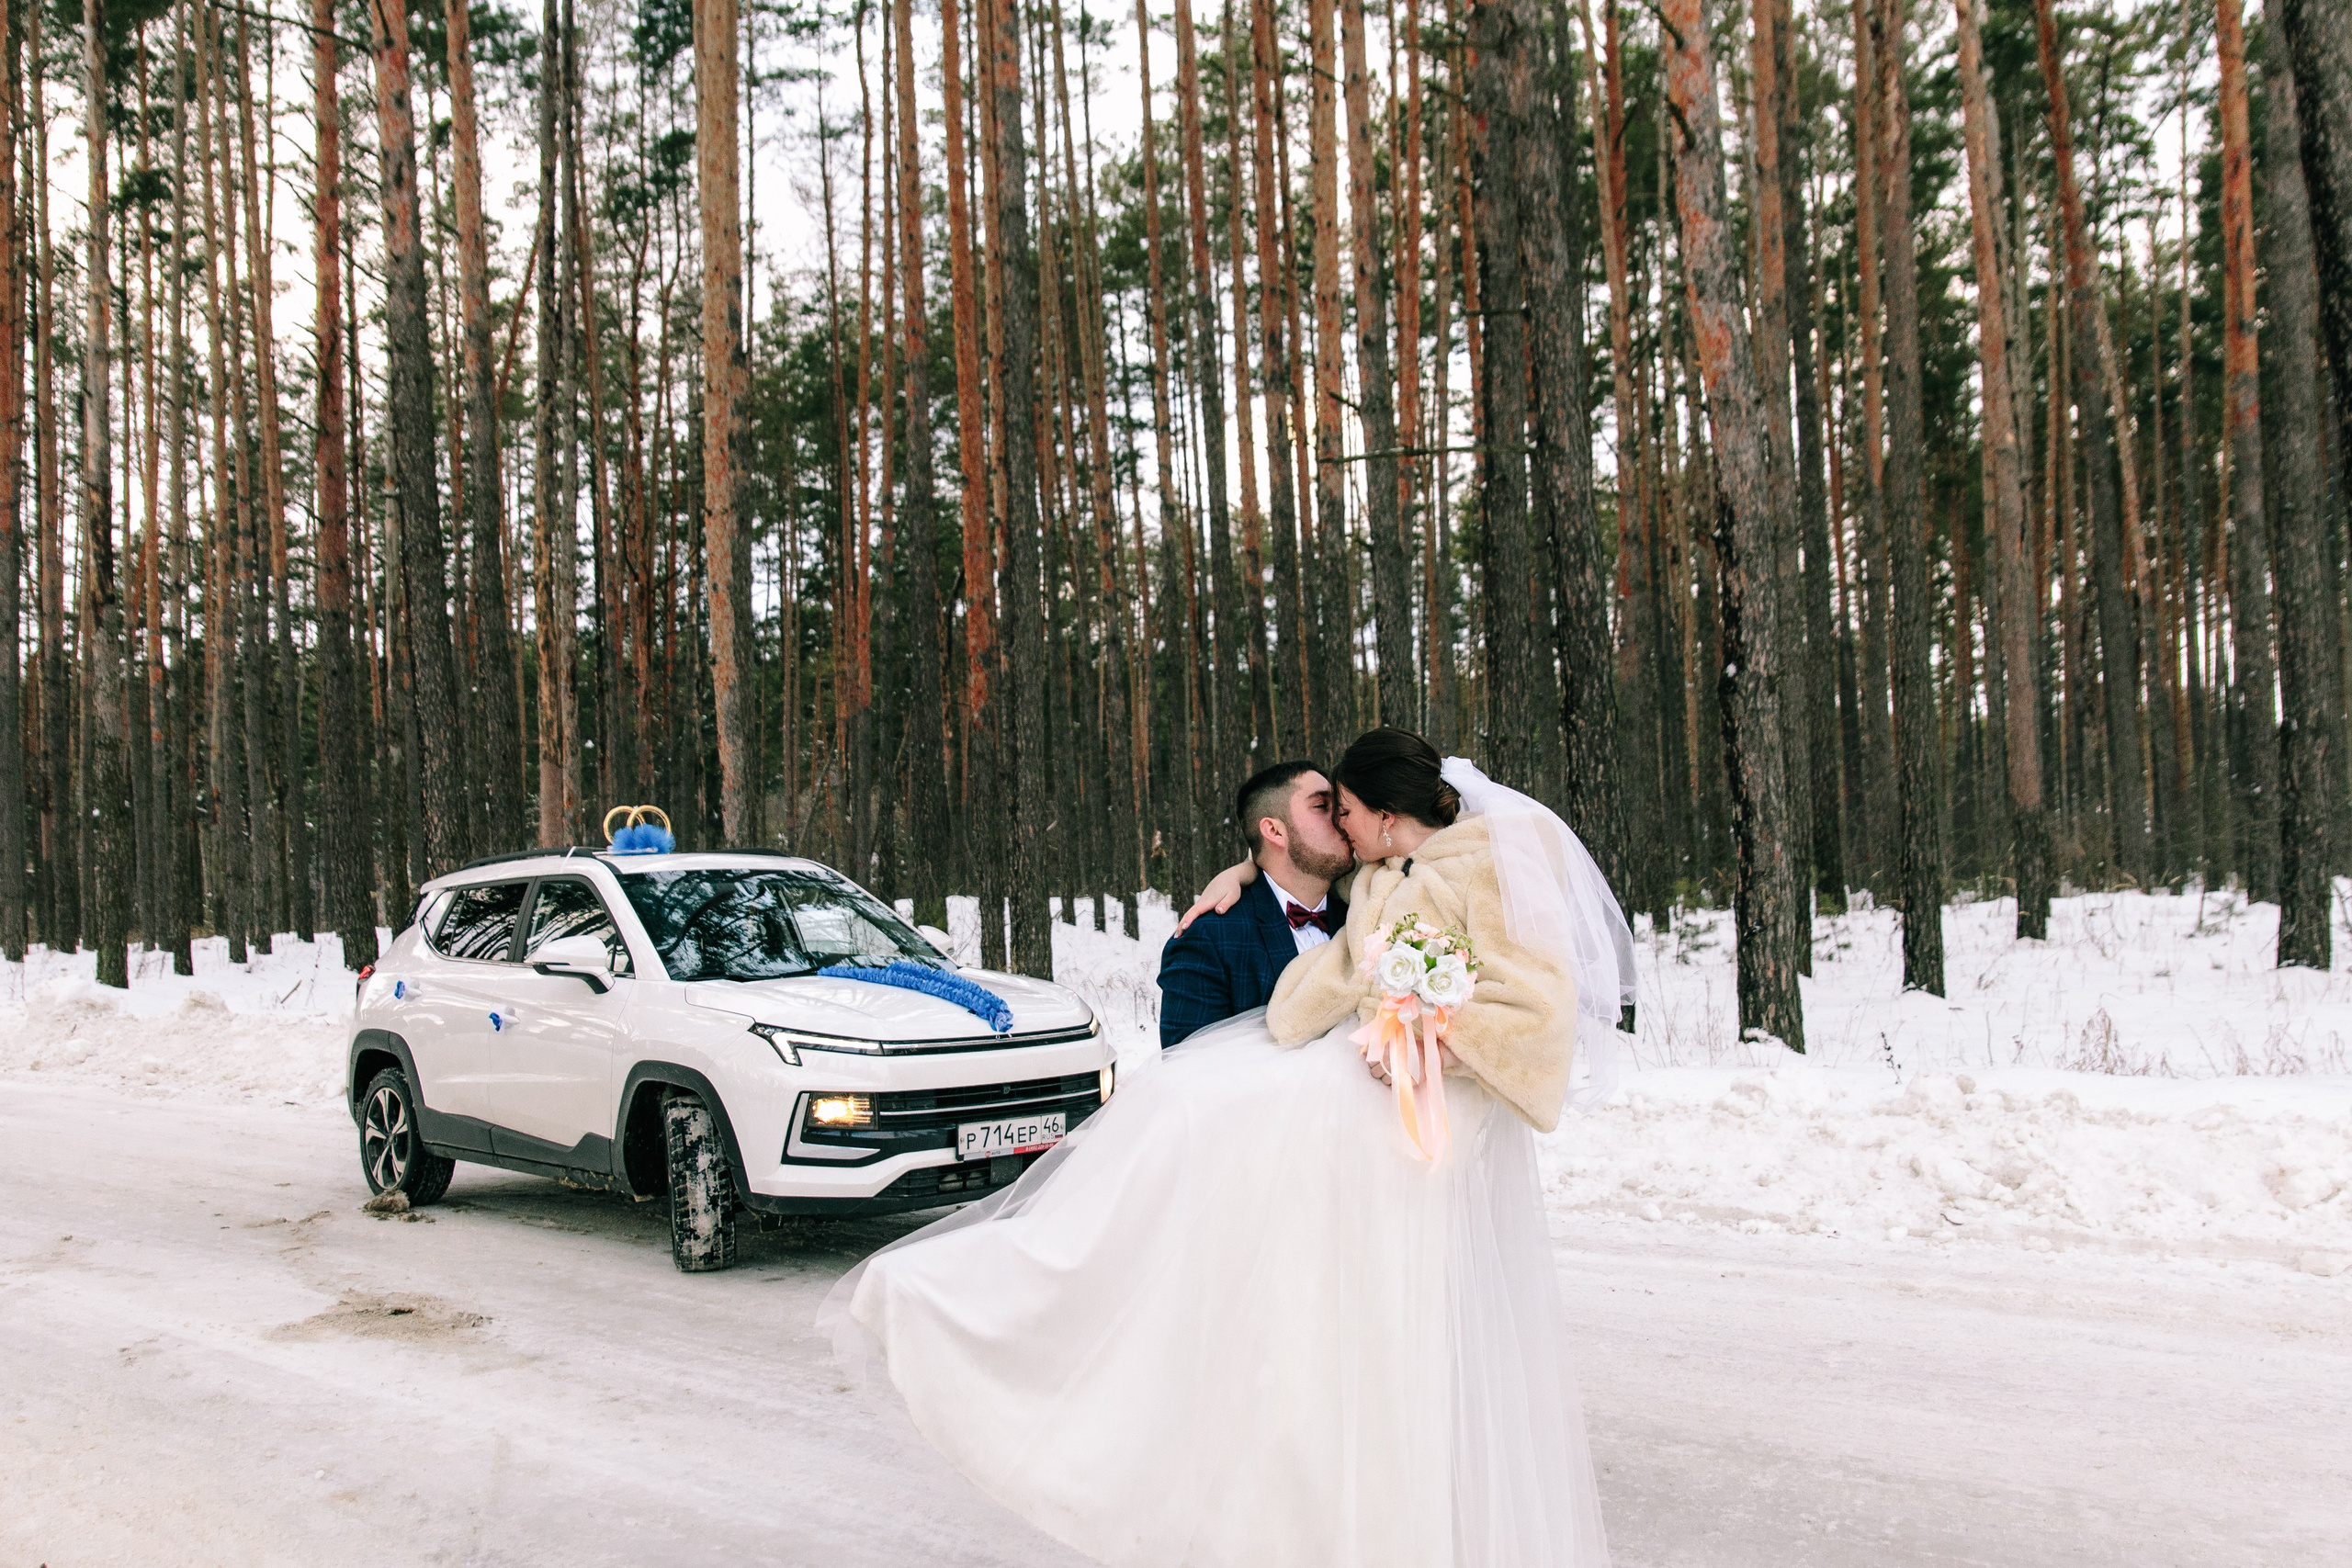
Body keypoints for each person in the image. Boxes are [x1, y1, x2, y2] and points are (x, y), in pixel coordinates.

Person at [823, 727, 1632, 1568]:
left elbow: (1535, 1021)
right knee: (1183, 1106)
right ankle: (1009, 1293)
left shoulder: (1474, 864)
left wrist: (1428, 1023)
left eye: (1344, 808)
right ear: (1281, 832)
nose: (1341, 825)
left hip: (1416, 1124)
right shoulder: (1370, 878)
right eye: (1325, 810)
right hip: (1328, 1138)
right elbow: (1324, 984)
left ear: (1384, 815)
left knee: (1392, 1336)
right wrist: (1249, 879)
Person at [1154, 761, 1354, 1047]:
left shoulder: (1363, 913)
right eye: (1322, 806)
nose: (1342, 817)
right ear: (1274, 831)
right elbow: (1189, 1077)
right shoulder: (1209, 939)